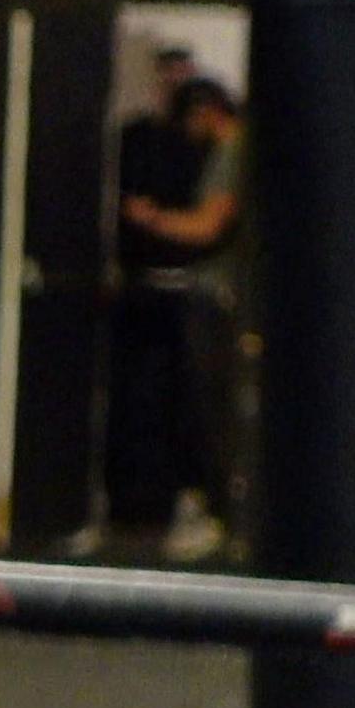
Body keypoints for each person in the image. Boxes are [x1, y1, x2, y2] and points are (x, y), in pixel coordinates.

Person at [104, 59, 247, 562]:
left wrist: (151, 218)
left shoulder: (232, 152)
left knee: (209, 409)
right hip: (220, 295)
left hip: (216, 297)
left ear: (207, 112)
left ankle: (220, 513)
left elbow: (207, 226)